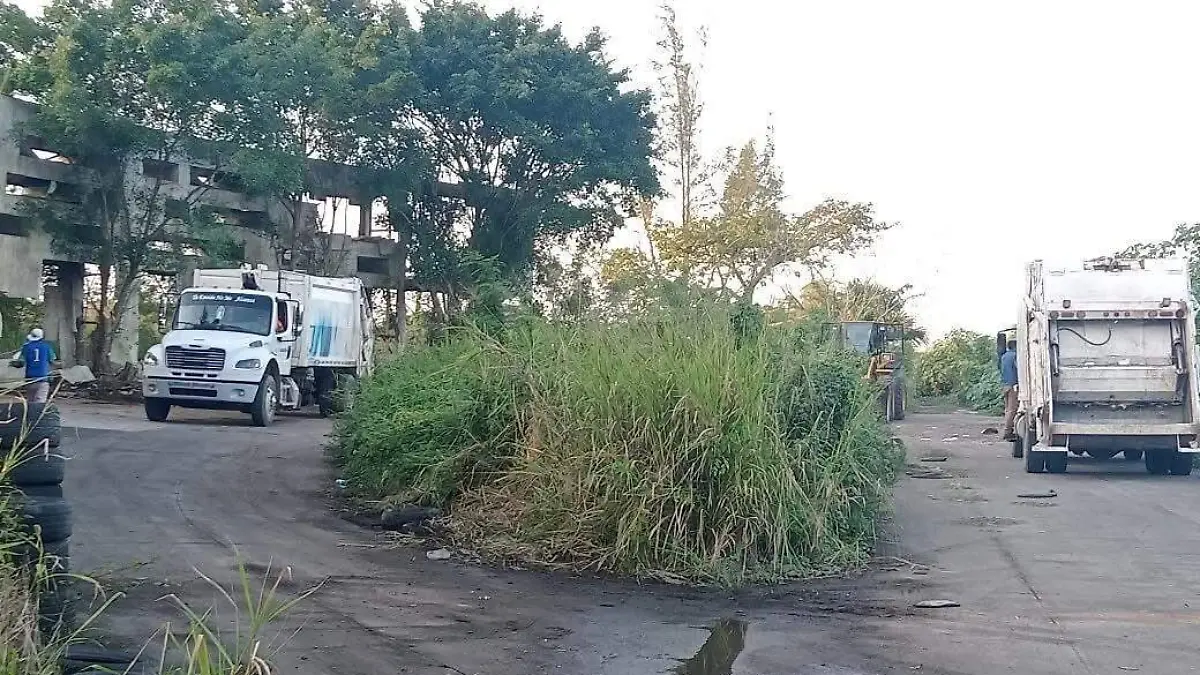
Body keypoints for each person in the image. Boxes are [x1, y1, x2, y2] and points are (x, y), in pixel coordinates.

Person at [11, 328, 56, 403]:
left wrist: (12, 364)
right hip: (43, 379)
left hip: (30, 379)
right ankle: (37, 414)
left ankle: (30, 414)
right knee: (40, 403)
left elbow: (21, 362)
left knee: (30, 402)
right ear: (42, 337)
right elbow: (52, 360)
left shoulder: (26, 347)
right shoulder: (47, 347)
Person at [1000, 339, 1019, 440]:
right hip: (1013, 385)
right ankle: (1008, 431)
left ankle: (1007, 429)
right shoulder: (1015, 356)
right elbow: (1017, 369)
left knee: (1008, 409)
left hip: (1005, 384)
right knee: (1012, 409)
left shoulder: (1004, 356)